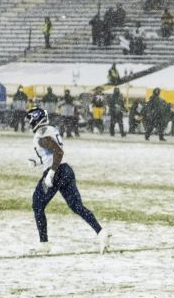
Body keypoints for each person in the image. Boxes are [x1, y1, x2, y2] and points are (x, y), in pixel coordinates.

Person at [24, 108, 110, 254]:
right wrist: (37, 161)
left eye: (30, 120)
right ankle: (101, 233)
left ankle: (44, 243)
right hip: (66, 171)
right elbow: (50, 154)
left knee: (37, 203)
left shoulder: (41, 134)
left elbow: (58, 152)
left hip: (56, 172)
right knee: (77, 206)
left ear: (36, 119)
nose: (29, 123)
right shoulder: (50, 129)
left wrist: (51, 173)